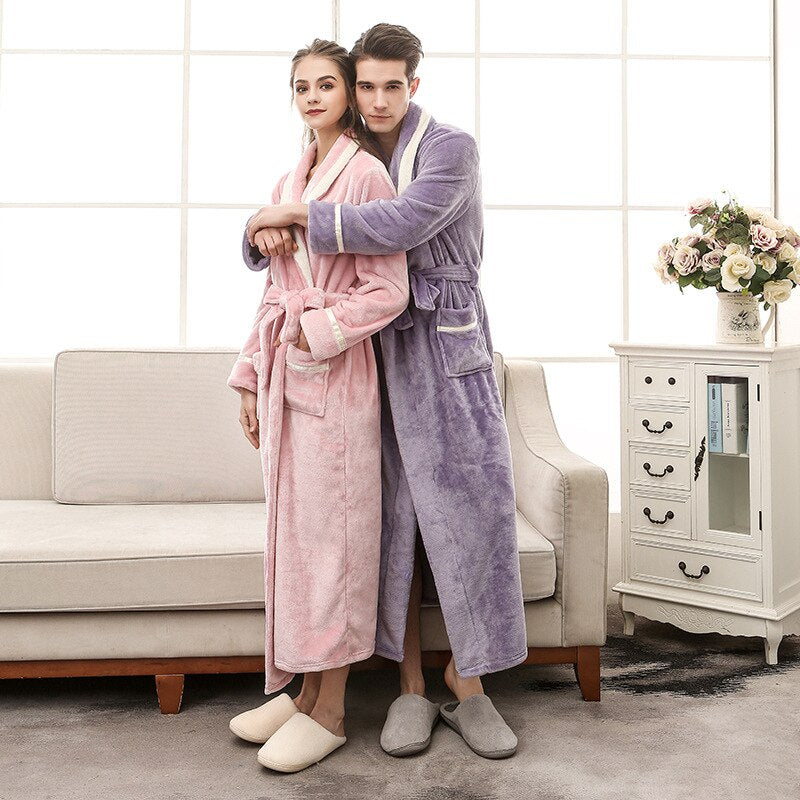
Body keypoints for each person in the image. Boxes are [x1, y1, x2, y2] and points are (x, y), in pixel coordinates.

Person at [243, 23, 527, 761]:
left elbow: (402, 223)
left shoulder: (449, 148)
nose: (375, 100)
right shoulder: (349, 153)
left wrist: (291, 217)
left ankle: (471, 685)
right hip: (373, 350)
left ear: (414, 84)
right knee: (389, 520)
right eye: (363, 86)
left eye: (389, 86)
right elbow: (290, 259)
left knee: (467, 508)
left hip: (445, 342)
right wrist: (263, 226)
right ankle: (408, 687)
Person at [225, 38, 408, 773]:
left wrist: (316, 328)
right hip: (287, 377)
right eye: (301, 86)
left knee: (334, 545)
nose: (312, 97)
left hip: (337, 377)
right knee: (298, 545)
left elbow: (388, 291)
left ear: (349, 92)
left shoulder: (366, 175)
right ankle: (301, 694)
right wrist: (249, 374)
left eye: (326, 84)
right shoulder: (290, 176)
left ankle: (331, 710)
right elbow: (275, 290)